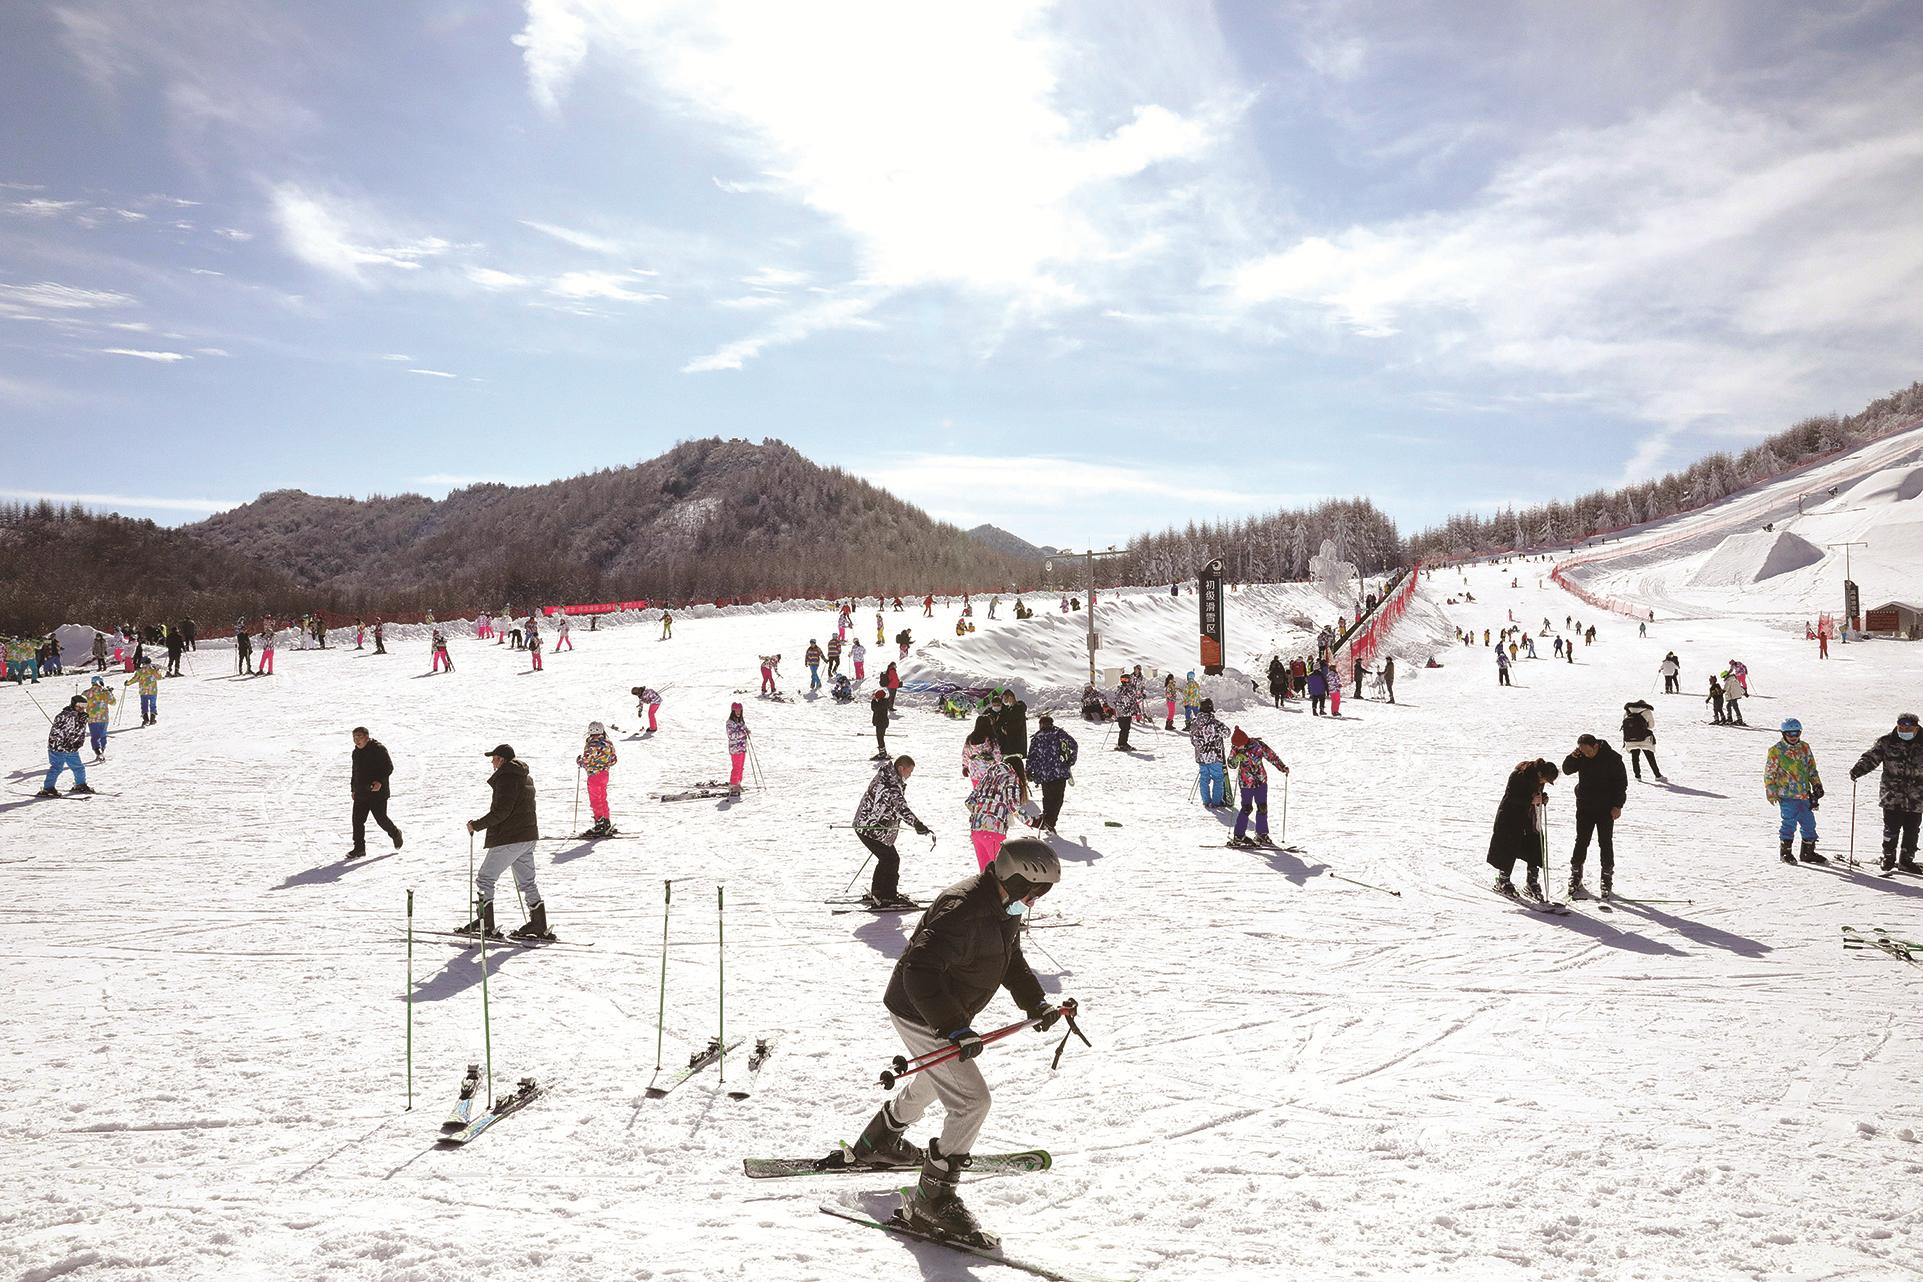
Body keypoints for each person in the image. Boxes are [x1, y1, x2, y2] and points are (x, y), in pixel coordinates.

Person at [834, 840, 1068, 1249]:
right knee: (972, 1101)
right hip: (921, 1012)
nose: (1035, 901)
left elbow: (1009, 958)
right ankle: (932, 1199)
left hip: (945, 1012)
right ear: (1014, 880)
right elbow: (919, 972)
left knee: (936, 1078)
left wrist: (1035, 1002)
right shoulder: (962, 910)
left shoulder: (1004, 907)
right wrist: (953, 1027)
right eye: (1034, 891)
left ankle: (879, 1140)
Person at [459, 744, 554, 941]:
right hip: (527, 836)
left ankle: (485, 924)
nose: (492, 762)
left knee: (485, 879)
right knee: (527, 882)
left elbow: (502, 811)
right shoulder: (524, 776)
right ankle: (538, 924)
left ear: (501, 759)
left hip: (510, 837)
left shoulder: (506, 777)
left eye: (494, 758)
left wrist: (476, 825)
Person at [1849, 712, 1923, 874]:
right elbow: (1871, 758)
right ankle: (1888, 857)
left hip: (1917, 797)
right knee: (1891, 828)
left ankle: (1907, 860)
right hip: (1892, 795)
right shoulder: (1887, 742)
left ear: (1916, 728)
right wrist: (1858, 769)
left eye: (1908, 727)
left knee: (1912, 829)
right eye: (1901, 726)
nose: (1903, 730)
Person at [853, 755, 930, 908]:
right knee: (891, 859)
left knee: (886, 858)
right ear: (901, 768)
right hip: (870, 828)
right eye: (909, 771)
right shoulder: (890, 785)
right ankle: (888, 896)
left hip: (868, 825)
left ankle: (878, 892)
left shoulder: (887, 775)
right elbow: (900, 807)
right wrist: (917, 824)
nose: (910, 775)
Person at [1560, 734, 1627, 898]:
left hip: (1606, 808)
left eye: (1587, 751)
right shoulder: (1580, 756)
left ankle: (1606, 877)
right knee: (1581, 840)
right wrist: (1572, 757)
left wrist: (1618, 806)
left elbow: (1621, 784)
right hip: (1585, 806)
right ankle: (1576, 874)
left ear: (1596, 746)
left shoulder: (1612, 758)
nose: (1585, 754)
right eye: (1582, 751)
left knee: (1605, 842)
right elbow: (1567, 770)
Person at [1487, 758, 1559, 901]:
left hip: (1529, 818)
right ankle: (1503, 879)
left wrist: (1542, 798)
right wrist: (1531, 800)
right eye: (1545, 780)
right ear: (1540, 774)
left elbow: (1535, 795)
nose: (1544, 783)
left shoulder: (1538, 779)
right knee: (1509, 845)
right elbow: (1511, 796)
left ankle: (1532, 880)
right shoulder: (1518, 775)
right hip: (1510, 817)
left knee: (1535, 844)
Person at [1765, 718, 1824, 864]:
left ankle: (1808, 852)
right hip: (1787, 794)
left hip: (1804, 794)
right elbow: (1769, 773)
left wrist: (1817, 785)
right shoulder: (1776, 750)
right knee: (1789, 823)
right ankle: (1785, 852)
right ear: (1783, 733)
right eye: (1790, 733)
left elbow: (1811, 769)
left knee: (1809, 823)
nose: (1793, 736)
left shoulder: (1804, 747)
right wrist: (1772, 792)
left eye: (1796, 733)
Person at [966, 752, 1033, 870]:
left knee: (985, 873)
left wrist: (981, 812)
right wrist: (1033, 822)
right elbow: (1013, 807)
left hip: (976, 830)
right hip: (993, 831)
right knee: (1000, 871)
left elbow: (969, 801)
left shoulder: (988, 775)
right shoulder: (1011, 776)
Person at [1226, 726, 1288, 848]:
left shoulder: (1258, 745)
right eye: (1236, 746)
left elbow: (1271, 756)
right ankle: (1239, 835)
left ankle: (1261, 834)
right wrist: (1236, 759)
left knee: (1262, 807)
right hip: (1246, 783)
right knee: (1247, 808)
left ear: (1244, 741)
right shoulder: (1235, 749)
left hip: (1260, 780)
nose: (1238, 747)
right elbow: (1231, 765)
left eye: (1239, 745)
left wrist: (1282, 767)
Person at [348, 726, 405, 858]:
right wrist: (353, 789)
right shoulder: (356, 752)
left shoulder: (378, 749)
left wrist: (379, 781)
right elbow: (355, 772)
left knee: (381, 819)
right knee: (357, 820)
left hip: (377, 792)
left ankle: (395, 833)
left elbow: (388, 767)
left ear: (366, 737)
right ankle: (359, 848)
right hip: (361, 791)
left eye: (359, 737)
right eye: (354, 737)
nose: (356, 740)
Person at [1025, 715, 1078, 833]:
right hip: (1059, 772)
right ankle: (1050, 821)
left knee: (1047, 798)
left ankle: (1047, 819)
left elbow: (1031, 757)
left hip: (1044, 774)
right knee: (1057, 799)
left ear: (1040, 724)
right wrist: (1071, 760)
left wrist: (1028, 771)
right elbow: (1074, 745)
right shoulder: (1059, 733)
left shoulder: (1037, 738)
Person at [39, 696, 94, 797]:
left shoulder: (81, 717)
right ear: (73, 704)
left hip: (72, 748)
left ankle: (80, 784)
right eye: (79, 705)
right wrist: (62, 744)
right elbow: (56, 733)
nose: (82, 708)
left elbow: (78, 732)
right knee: (57, 768)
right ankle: (48, 789)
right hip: (58, 748)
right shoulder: (64, 716)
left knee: (78, 767)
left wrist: (77, 742)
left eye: (84, 705)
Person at [576, 722, 619, 838]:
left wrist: (580, 761)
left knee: (595, 799)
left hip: (594, 775)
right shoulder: (608, 743)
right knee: (603, 798)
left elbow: (586, 760)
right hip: (604, 774)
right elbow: (614, 759)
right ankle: (606, 821)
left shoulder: (591, 745)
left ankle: (600, 823)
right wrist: (605, 764)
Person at [995, 688, 1029, 794]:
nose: (1004, 701)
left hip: (1015, 744)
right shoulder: (1009, 709)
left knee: (1016, 769)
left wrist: (1006, 728)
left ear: (1010, 697)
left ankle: (1020, 790)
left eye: (1005, 698)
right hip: (1008, 744)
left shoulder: (1018, 708)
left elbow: (1016, 725)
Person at [1621, 699, 1664, 781]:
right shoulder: (1647, 711)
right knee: (1650, 758)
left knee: (1635, 758)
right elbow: (1651, 726)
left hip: (1631, 740)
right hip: (1644, 738)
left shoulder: (1627, 712)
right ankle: (1657, 775)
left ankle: (1637, 776)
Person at [725, 703, 751, 796]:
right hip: (735, 748)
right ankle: (733, 785)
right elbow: (731, 735)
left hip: (742, 748)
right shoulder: (730, 723)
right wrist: (742, 733)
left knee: (741, 767)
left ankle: (738, 783)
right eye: (736, 711)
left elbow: (744, 728)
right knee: (736, 767)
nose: (738, 712)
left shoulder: (740, 721)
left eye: (740, 711)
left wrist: (747, 731)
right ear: (733, 711)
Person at [126, 658, 161, 726]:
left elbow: (134, 679)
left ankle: (146, 719)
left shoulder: (140, 671)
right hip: (152, 691)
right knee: (153, 705)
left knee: (144, 705)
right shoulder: (153, 670)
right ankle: (152, 719)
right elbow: (159, 677)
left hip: (143, 691)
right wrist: (157, 670)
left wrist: (128, 683)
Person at [1111, 673, 1140, 750]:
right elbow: (1132, 698)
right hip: (1125, 711)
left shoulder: (1120, 688)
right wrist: (1140, 696)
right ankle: (1122, 744)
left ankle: (1122, 743)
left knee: (1124, 728)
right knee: (1125, 728)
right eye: (1129, 679)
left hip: (1122, 711)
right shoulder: (1126, 689)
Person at [867, 689, 893, 759]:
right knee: (880, 737)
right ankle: (883, 751)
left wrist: (873, 700)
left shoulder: (882, 703)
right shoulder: (884, 702)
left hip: (881, 723)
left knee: (880, 738)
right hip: (882, 722)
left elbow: (874, 708)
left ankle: (882, 752)